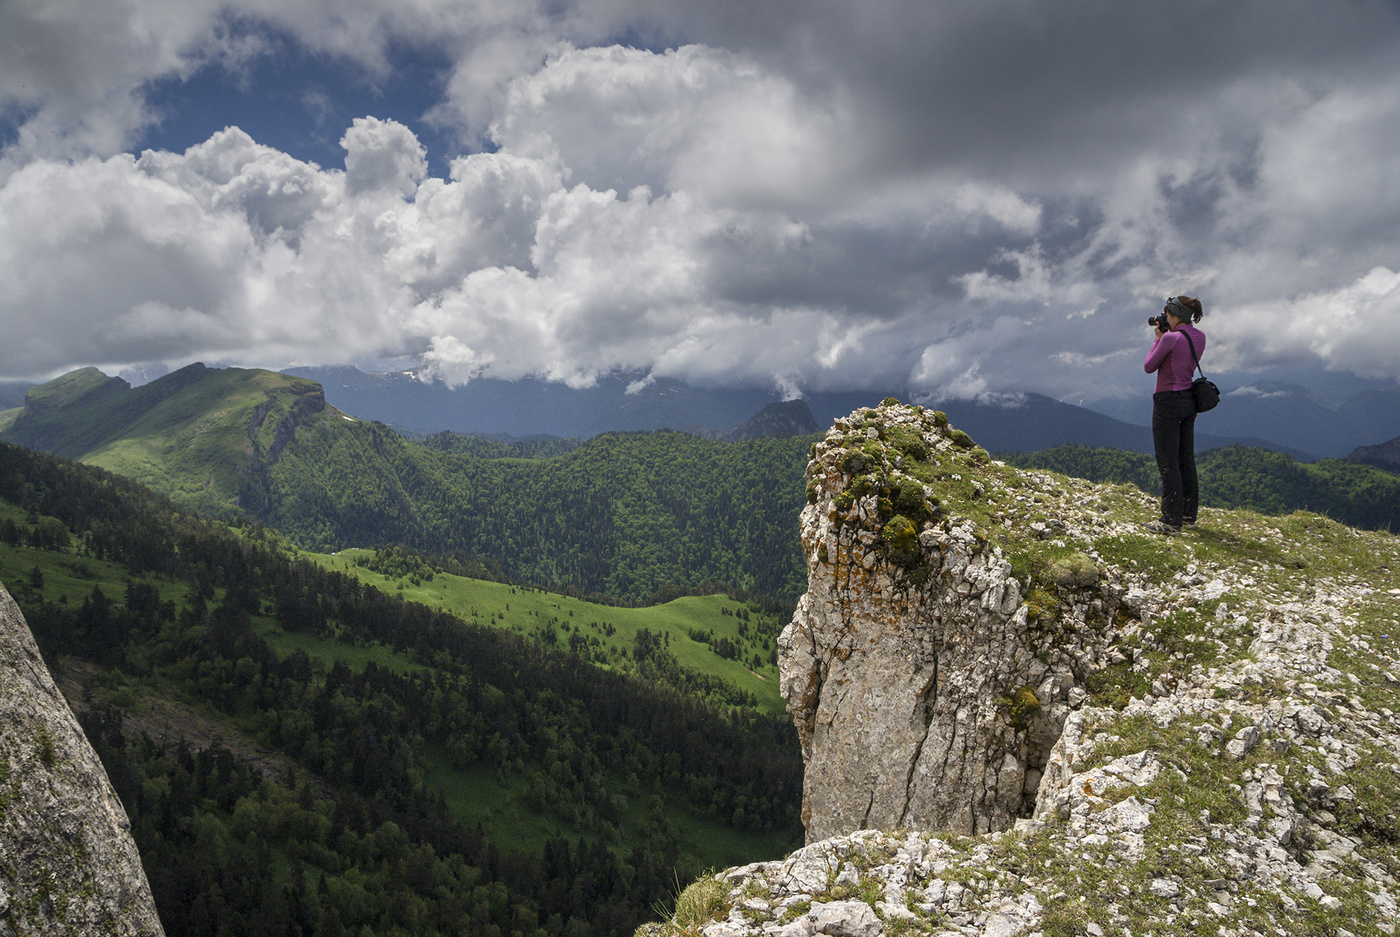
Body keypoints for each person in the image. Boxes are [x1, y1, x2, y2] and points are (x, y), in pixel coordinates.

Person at [1143, 295, 1206, 535]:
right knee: (1185, 459)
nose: (1165, 317)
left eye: (1167, 313)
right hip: (1188, 401)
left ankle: (1170, 520)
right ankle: (1189, 514)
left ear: (1175, 315)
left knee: (1168, 462)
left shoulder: (1169, 338)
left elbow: (1149, 366)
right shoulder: (1200, 336)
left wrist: (1157, 339)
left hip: (1167, 401)